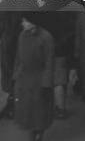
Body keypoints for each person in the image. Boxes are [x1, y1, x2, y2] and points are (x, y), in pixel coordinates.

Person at [14, 12, 55, 141]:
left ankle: (39, 134)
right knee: (28, 111)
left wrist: (47, 83)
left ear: (33, 22)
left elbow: (49, 61)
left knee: (39, 111)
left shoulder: (46, 37)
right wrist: (15, 77)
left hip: (39, 79)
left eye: (25, 21)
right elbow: (18, 58)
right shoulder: (22, 36)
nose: (22, 23)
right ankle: (32, 136)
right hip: (25, 79)